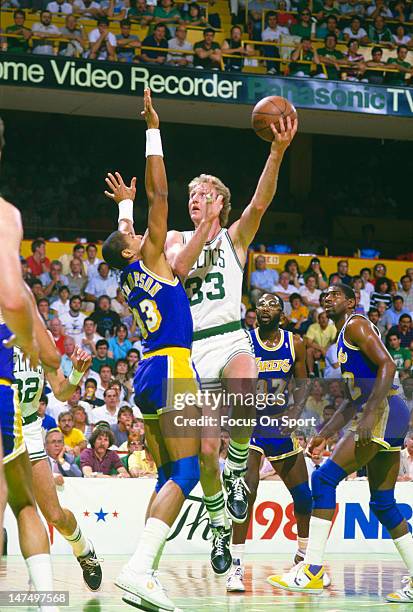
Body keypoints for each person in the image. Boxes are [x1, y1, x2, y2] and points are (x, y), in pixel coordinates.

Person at [165, 106, 297, 574]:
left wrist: (277, 152)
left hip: (230, 338)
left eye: (204, 195)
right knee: (204, 453)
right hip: (193, 348)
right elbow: (179, 269)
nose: (195, 200)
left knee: (246, 392)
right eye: (192, 195)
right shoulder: (177, 236)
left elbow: (260, 202)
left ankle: (240, 468)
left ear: (220, 201)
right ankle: (220, 529)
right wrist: (203, 225)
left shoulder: (237, 239)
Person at [101, 89, 201, 610]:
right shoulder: (155, 257)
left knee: (166, 475)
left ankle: (146, 573)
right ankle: (140, 568)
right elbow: (161, 198)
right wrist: (153, 129)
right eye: (137, 233)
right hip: (174, 368)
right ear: (136, 248)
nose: (143, 232)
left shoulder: (127, 276)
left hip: (147, 373)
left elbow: (123, 234)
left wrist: (122, 205)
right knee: (186, 476)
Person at [267, 284, 413, 604]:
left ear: (351, 301)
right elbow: (350, 400)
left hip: (384, 409)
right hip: (390, 412)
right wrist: (324, 433)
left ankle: (312, 569)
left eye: (335, 295)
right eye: (325, 294)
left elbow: (388, 365)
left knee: (322, 479)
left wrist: (370, 415)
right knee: (383, 503)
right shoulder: (340, 339)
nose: (327, 298)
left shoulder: (357, 324)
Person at [0, 119, 61, 611]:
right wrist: (25, 341)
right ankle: (46, 601)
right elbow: (14, 299)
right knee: (19, 499)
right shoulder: (4, 215)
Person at [227, 293, 315, 592]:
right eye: (261, 305)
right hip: (249, 424)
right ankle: (236, 567)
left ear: (283, 313)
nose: (265, 308)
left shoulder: (296, 343)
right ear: (254, 312)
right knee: (245, 495)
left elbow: (304, 384)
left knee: (304, 497)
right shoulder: (243, 340)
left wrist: (295, 413)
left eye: (272, 305)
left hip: (279, 424)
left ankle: (303, 558)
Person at [304, 311, 337, 377]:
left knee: (333, 350)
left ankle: (333, 373)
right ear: (318, 320)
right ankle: (311, 373)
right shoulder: (313, 327)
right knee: (309, 350)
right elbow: (308, 342)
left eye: (326, 318)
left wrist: (324, 350)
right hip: (316, 350)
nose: (324, 320)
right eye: (322, 318)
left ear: (328, 319)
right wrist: (321, 349)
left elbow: (333, 342)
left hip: (328, 349)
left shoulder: (332, 327)